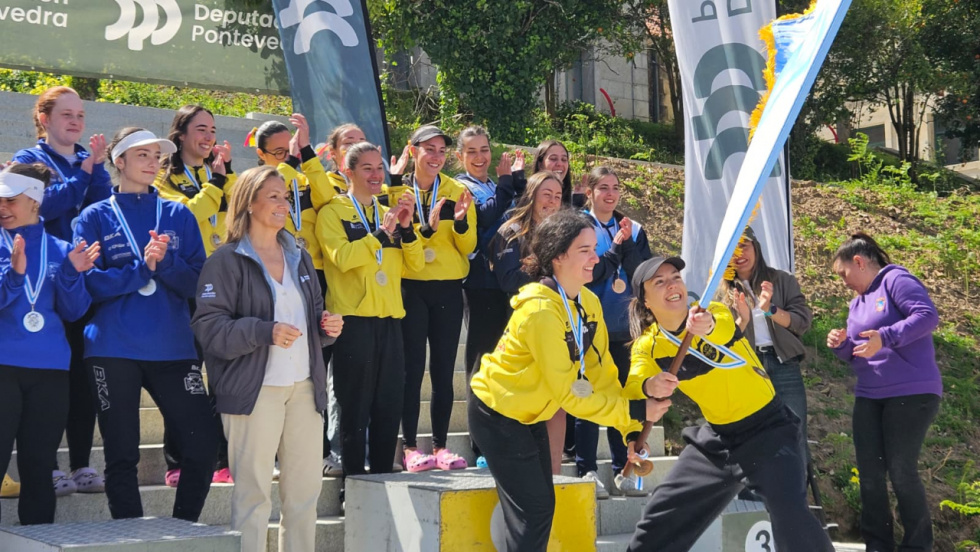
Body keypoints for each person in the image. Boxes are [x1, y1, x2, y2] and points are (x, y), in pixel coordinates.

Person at [469, 210, 666, 552]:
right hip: (496, 413)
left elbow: (603, 374)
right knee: (536, 509)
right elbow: (570, 397)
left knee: (539, 505)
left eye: (595, 248)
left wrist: (631, 431)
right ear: (558, 256)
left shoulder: (587, 302)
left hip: (529, 412)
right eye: (585, 250)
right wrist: (636, 409)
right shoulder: (541, 313)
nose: (596, 257)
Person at [624, 256, 833, 552]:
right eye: (660, 282)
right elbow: (634, 388)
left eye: (675, 277)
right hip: (717, 441)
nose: (672, 285)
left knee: (791, 516)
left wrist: (705, 326)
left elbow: (720, 327)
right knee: (660, 518)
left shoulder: (714, 312)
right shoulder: (648, 346)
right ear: (645, 301)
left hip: (769, 430)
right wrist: (648, 391)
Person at [191, 165, 344, 552]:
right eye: (273, 196)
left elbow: (310, 321)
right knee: (253, 495)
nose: (284, 203)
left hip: (304, 389)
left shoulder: (299, 256)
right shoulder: (224, 261)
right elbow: (208, 329)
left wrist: (325, 328)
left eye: (285, 196)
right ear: (248, 203)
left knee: (304, 497)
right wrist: (264, 331)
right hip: (253, 391)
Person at [74, 127, 217, 521]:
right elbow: (88, 283)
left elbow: (198, 281)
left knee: (202, 443)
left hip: (173, 346)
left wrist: (166, 263)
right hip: (111, 347)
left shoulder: (178, 213)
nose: (153, 162)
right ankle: (131, 535)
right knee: (121, 454)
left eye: (157, 156)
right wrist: (142, 270)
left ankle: (185, 525)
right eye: (143, 155)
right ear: (118, 161)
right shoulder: (93, 216)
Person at [13, 85, 110, 496]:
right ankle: (47, 464)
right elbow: (41, 208)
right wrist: (84, 176)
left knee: (82, 378)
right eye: (66, 114)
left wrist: (95, 171)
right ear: (44, 118)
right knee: (48, 377)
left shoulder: (91, 162)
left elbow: (105, 208)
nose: (75, 122)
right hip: (41, 281)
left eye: (81, 115)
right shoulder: (27, 160)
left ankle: (83, 463)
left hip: (83, 278)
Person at [315, 142, 423, 484]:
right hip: (353, 322)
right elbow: (343, 258)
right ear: (348, 172)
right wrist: (381, 234)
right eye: (368, 169)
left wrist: (405, 231)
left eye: (379, 168)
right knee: (354, 407)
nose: (377, 175)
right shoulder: (333, 212)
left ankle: (380, 481)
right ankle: (353, 484)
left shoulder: (387, 212)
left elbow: (416, 264)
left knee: (388, 405)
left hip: (390, 320)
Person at [827, 233, 941, 552]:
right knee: (870, 473)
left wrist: (886, 337)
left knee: (901, 470)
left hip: (912, 392)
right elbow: (858, 350)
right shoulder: (855, 304)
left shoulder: (896, 280)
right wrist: (841, 345)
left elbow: (927, 316)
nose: (843, 281)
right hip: (870, 394)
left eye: (843, 273)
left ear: (859, 262)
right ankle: (878, 545)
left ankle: (918, 546)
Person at [0, 164, 99, 524]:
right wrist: (14, 275)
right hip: (3, 367)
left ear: (34, 202)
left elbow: (74, 312)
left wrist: (72, 275)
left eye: (10, 200)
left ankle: (37, 540)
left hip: (51, 371)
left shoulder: (61, 248)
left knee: (40, 466)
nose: (2, 207)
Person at [252, 116, 341, 477]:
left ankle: (313, 451)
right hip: (274, 271)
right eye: (278, 151)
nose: (287, 155)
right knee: (276, 366)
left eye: (291, 147)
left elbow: (329, 199)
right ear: (261, 155)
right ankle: (273, 454)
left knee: (312, 366)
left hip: (312, 272)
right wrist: (287, 165)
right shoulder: (259, 187)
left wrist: (304, 153)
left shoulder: (303, 177)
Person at [154, 105, 235, 486]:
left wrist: (225, 178)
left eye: (213, 131)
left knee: (221, 378)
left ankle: (221, 459)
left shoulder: (217, 174)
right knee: (185, 377)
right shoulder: (162, 178)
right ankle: (177, 461)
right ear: (181, 134)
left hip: (225, 285)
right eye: (200, 129)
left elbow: (238, 213)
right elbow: (183, 216)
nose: (208, 137)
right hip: (186, 285)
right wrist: (216, 185)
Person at [388, 125, 475, 472]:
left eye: (442, 151)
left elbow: (468, 247)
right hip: (410, 286)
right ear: (413, 150)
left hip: (448, 289)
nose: (436, 157)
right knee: (411, 370)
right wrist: (426, 230)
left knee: (441, 370)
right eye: (430, 149)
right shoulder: (398, 191)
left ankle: (440, 446)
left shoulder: (456, 190)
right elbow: (397, 234)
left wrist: (461, 223)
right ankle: (410, 447)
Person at [453, 126, 527, 468]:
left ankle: (504, 435)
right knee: (481, 362)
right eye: (472, 152)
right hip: (480, 282)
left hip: (508, 282)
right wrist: (505, 183)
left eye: (485, 149)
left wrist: (518, 180)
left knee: (507, 361)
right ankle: (480, 444)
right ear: (460, 156)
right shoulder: (460, 186)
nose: (481, 157)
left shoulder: (497, 186)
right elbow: (484, 217)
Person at [578, 166, 653, 497]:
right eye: (603, 188)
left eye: (615, 188)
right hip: (592, 328)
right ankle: (587, 469)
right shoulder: (579, 226)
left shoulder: (633, 229)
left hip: (627, 329)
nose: (610, 194)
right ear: (590, 191)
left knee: (625, 397)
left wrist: (628, 244)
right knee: (591, 399)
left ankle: (625, 468)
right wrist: (615, 247)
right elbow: (588, 275)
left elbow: (643, 275)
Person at [489, 171, 566, 474]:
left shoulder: (566, 232)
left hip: (560, 323)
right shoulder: (511, 231)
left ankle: (555, 473)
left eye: (558, 196)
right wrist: (546, 270)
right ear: (532, 195)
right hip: (522, 326)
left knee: (556, 401)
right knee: (524, 400)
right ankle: (520, 471)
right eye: (546, 194)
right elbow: (509, 279)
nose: (552, 201)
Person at [721, 226, 813, 459]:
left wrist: (769, 309)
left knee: (793, 432)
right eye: (732, 248)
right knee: (752, 436)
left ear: (756, 247)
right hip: (745, 368)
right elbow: (723, 341)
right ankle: (755, 495)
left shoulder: (781, 280)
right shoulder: (720, 295)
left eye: (745, 245)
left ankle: (794, 494)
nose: (739, 253)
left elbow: (802, 322)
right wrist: (742, 318)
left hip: (783, 365)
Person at [532, 140, 583, 208]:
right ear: (540, 164)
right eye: (553, 159)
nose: (559, 164)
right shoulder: (525, 196)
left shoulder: (573, 202)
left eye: (564, 159)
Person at [321, 124, 367, 195]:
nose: (357, 147)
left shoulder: (377, 185)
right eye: (349, 143)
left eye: (362, 143)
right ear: (333, 152)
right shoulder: (325, 184)